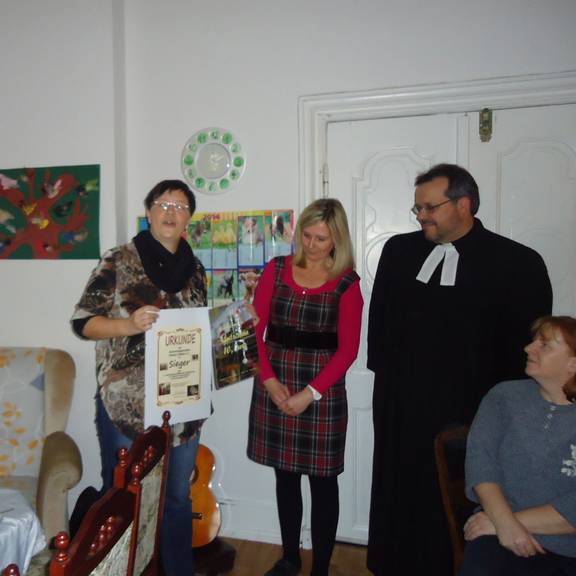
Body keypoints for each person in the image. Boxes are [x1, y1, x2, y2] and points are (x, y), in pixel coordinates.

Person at [366, 163, 553, 575]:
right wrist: (387, 387)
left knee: (456, 500)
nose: (421, 216)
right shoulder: (398, 252)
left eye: (429, 207)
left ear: (464, 204)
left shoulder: (518, 263)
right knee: (400, 491)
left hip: (470, 412)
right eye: (417, 208)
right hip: (402, 405)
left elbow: (524, 353)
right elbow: (379, 326)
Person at [71, 179, 207, 576]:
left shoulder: (196, 270)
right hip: (126, 406)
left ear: (189, 218)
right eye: (163, 204)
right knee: (122, 500)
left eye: (180, 206)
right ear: (148, 212)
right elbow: (83, 322)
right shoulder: (118, 260)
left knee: (177, 500)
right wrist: (128, 325)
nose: (170, 212)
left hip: (183, 405)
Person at [247, 198, 363, 576]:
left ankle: (321, 568)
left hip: (322, 393)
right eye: (307, 236)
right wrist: (269, 381)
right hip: (275, 383)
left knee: (323, 484)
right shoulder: (276, 269)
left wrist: (309, 393)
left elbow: (348, 351)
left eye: (321, 239)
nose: (311, 245)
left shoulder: (347, 284)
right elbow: (255, 331)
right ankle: (290, 558)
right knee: (285, 477)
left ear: (337, 240)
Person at [461, 315, 576, 576]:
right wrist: (504, 524)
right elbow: (481, 464)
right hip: (497, 535)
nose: (528, 348)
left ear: (573, 363)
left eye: (544, 345)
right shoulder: (503, 397)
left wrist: (503, 524)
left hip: (566, 547)